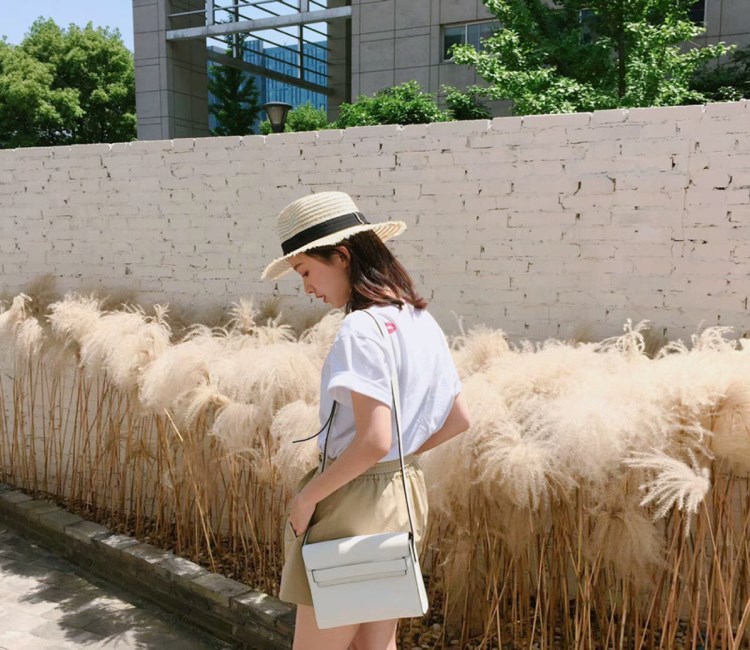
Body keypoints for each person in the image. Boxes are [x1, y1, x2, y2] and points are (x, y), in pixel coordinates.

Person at [261, 191, 471, 650]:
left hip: (353, 498)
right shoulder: (419, 319)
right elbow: (457, 420)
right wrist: (397, 455)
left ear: (340, 256)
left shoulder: (361, 327)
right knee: (375, 645)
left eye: (306, 272)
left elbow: (373, 440)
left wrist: (307, 498)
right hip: (404, 492)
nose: (307, 288)